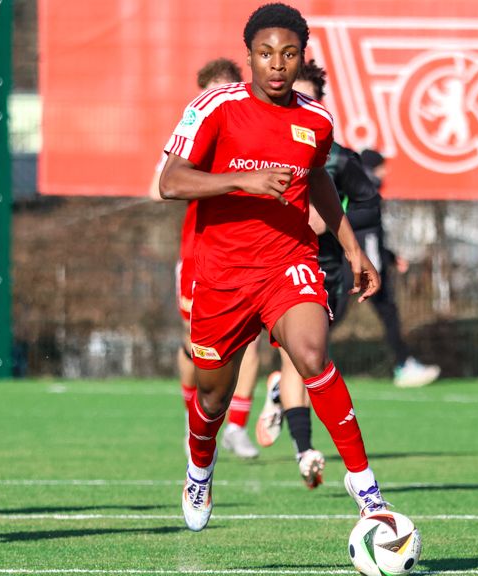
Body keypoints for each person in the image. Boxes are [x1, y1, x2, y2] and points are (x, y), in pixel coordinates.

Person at [159, 3, 389, 531]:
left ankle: (366, 487)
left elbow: (321, 183)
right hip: (223, 273)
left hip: (289, 260)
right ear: (250, 58)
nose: (277, 64)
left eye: (288, 54)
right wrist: (243, 181)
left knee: (311, 354)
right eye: (266, 54)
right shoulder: (216, 106)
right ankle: (200, 466)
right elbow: (173, 181)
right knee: (212, 395)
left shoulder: (316, 119)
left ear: (301, 57)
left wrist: (353, 249)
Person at [254, 59, 384, 489]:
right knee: (299, 357)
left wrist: (332, 221)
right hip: (281, 264)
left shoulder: (338, 159)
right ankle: (305, 449)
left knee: (310, 358)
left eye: (305, 94)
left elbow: (368, 203)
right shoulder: (261, 146)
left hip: (329, 269)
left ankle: (280, 398)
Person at [149, 58, 260, 460]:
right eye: (211, 90)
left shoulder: (252, 128)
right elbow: (160, 186)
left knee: (250, 343)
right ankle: (192, 420)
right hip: (201, 254)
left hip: (251, 254)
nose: (219, 97)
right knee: (197, 345)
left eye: (226, 88)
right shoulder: (196, 134)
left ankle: (236, 427)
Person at [356, 149, 441, 388]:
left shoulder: (358, 188)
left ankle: (404, 363)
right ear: (373, 168)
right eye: (383, 167)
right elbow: (366, 233)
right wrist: (375, 266)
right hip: (363, 265)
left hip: (357, 260)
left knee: (333, 313)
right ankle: (404, 365)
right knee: (337, 313)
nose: (386, 173)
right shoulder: (366, 189)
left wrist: (390, 257)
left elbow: (367, 233)